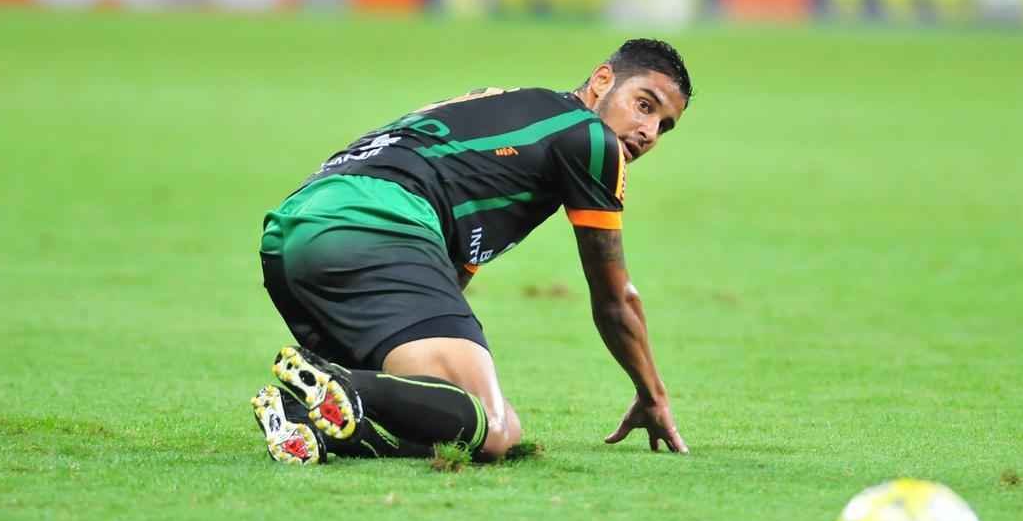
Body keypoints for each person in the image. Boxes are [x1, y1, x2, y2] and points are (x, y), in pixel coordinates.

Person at [251, 38, 692, 464]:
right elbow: (615, 300)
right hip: (378, 223)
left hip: (293, 234)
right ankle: (346, 386)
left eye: (664, 126)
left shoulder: (509, 108)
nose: (649, 131)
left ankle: (303, 418)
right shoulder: (592, 139)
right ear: (602, 80)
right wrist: (652, 395)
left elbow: (452, 268)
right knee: (496, 428)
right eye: (644, 105)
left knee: (436, 411)